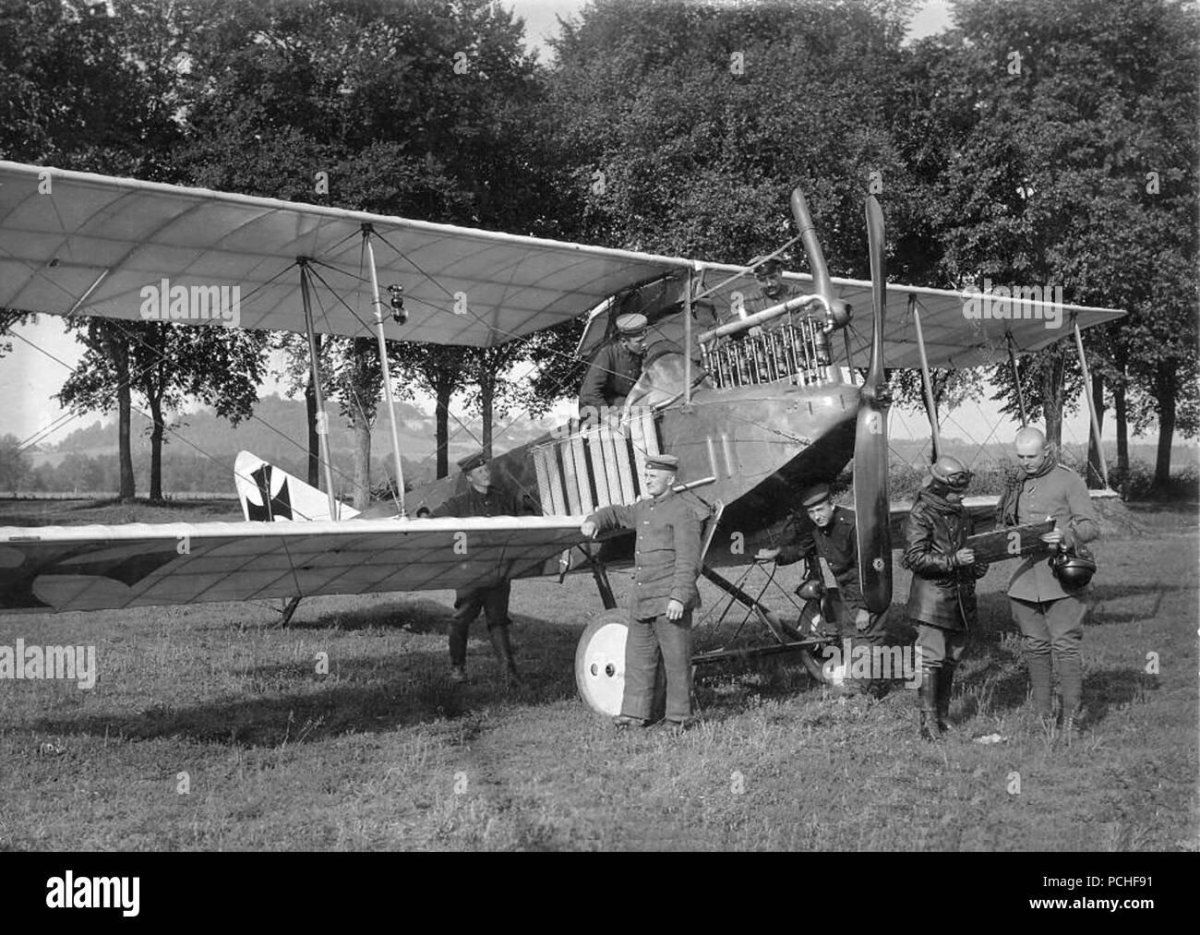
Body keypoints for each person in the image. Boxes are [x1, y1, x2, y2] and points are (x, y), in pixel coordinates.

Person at [580, 453, 705, 733]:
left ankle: (678, 719)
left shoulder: (683, 512)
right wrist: (593, 520)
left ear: (670, 479)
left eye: (653, 476)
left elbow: (689, 560)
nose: (647, 479)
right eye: (646, 475)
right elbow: (616, 513)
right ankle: (634, 714)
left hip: (669, 601)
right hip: (643, 599)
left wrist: (679, 597)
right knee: (638, 659)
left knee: (676, 662)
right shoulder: (644, 508)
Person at [996, 426, 1099, 736]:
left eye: (1032, 456)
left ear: (1047, 451)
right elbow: (1004, 522)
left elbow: (1091, 526)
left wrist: (1065, 535)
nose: (1026, 462)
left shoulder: (1069, 480)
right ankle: (1043, 715)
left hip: (1061, 578)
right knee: (1035, 647)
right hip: (1025, 580)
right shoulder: (1016, 482)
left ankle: (1071, 718)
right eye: (1021, 456)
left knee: (1066, 647)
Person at [757, 483, 889, 693]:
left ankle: (864, 689)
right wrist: (777, 554)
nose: (817, 516)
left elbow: (869, 569)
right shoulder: (818, 528)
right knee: (850, 636)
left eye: (820, 510)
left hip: (866, 590)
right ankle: (865, 687)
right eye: (811, 512)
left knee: (866, 638)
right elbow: (802, 548)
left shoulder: (852, 525)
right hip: (844, 591)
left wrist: (865, 607)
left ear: (832, 505)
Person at [902, 455, 989, 741]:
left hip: (961, 598)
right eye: (954, 491)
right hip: (933, 600)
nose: (959, 496)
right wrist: (953, 560)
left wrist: (979, 562)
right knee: (930, 658)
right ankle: (927, 722)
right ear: (939, 486)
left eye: (962, 492)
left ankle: (942, 714)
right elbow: (914, 558)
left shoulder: (962, 513)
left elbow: (971, 548)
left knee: (952, 657)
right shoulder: (921, 514)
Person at [431, 451, 524, 685]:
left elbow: (520, 523)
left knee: (498, 619)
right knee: (462, 618)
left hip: (497, 570)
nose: (486, 473)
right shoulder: (458, 503)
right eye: (480, 471)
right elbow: (431, 520)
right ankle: (457, 668)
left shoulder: (503, 500)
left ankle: (509, 673)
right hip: (469, 572)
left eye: (486, 469)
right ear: (469, 477)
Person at [578, 313, 648, 421]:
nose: (644, 344)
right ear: (624, 341)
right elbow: (589, 393)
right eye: (639, 341)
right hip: (596, 411)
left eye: (644, 339)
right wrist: (607, 415)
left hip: (622, 402)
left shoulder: (636, 352)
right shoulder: (605, 353)